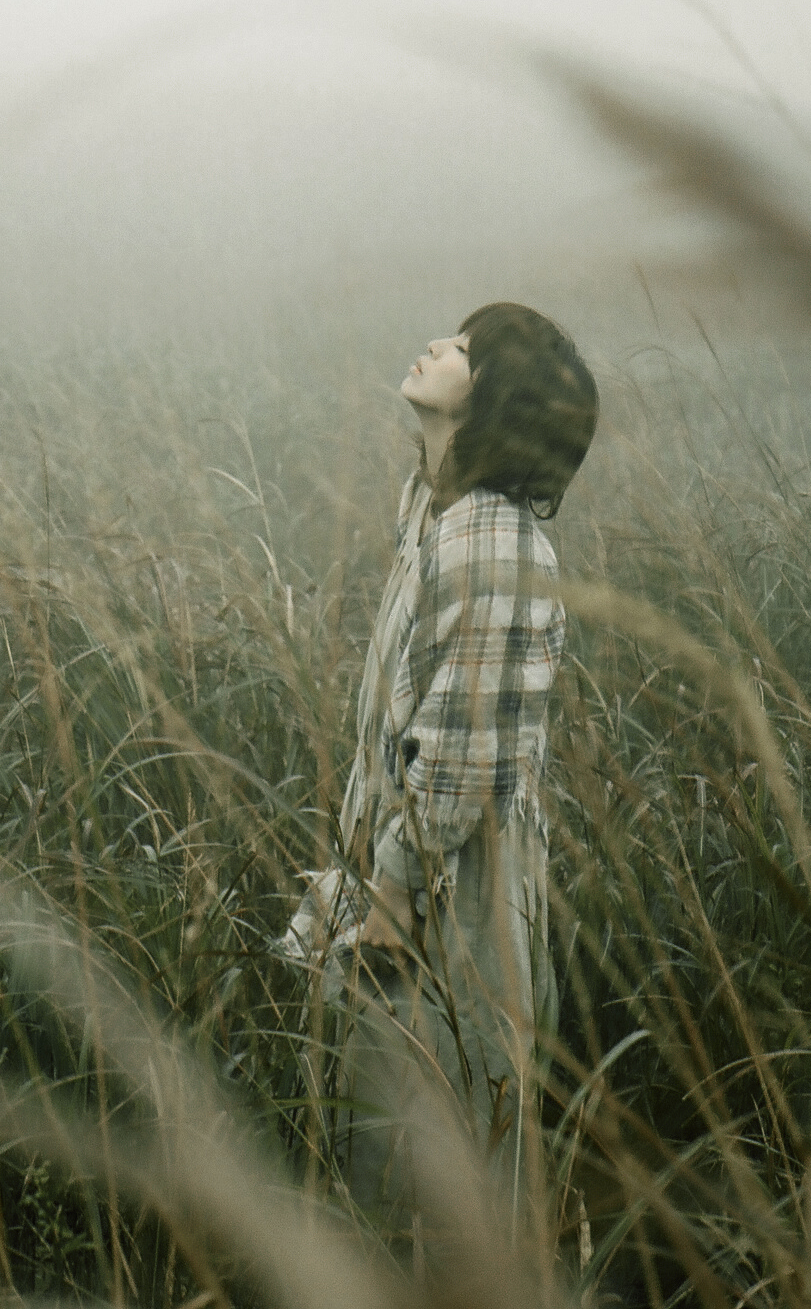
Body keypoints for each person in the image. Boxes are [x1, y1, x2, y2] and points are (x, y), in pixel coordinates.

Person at [282, 301, 598, 1221]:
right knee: (382, 1128)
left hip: (448, 882)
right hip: (413, 858)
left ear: (498, 402)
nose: (436, 344)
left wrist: (393, 891)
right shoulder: (439, 507)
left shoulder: (495, 542)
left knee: (423, 1145)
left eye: (466, 350)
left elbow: (462, 751)